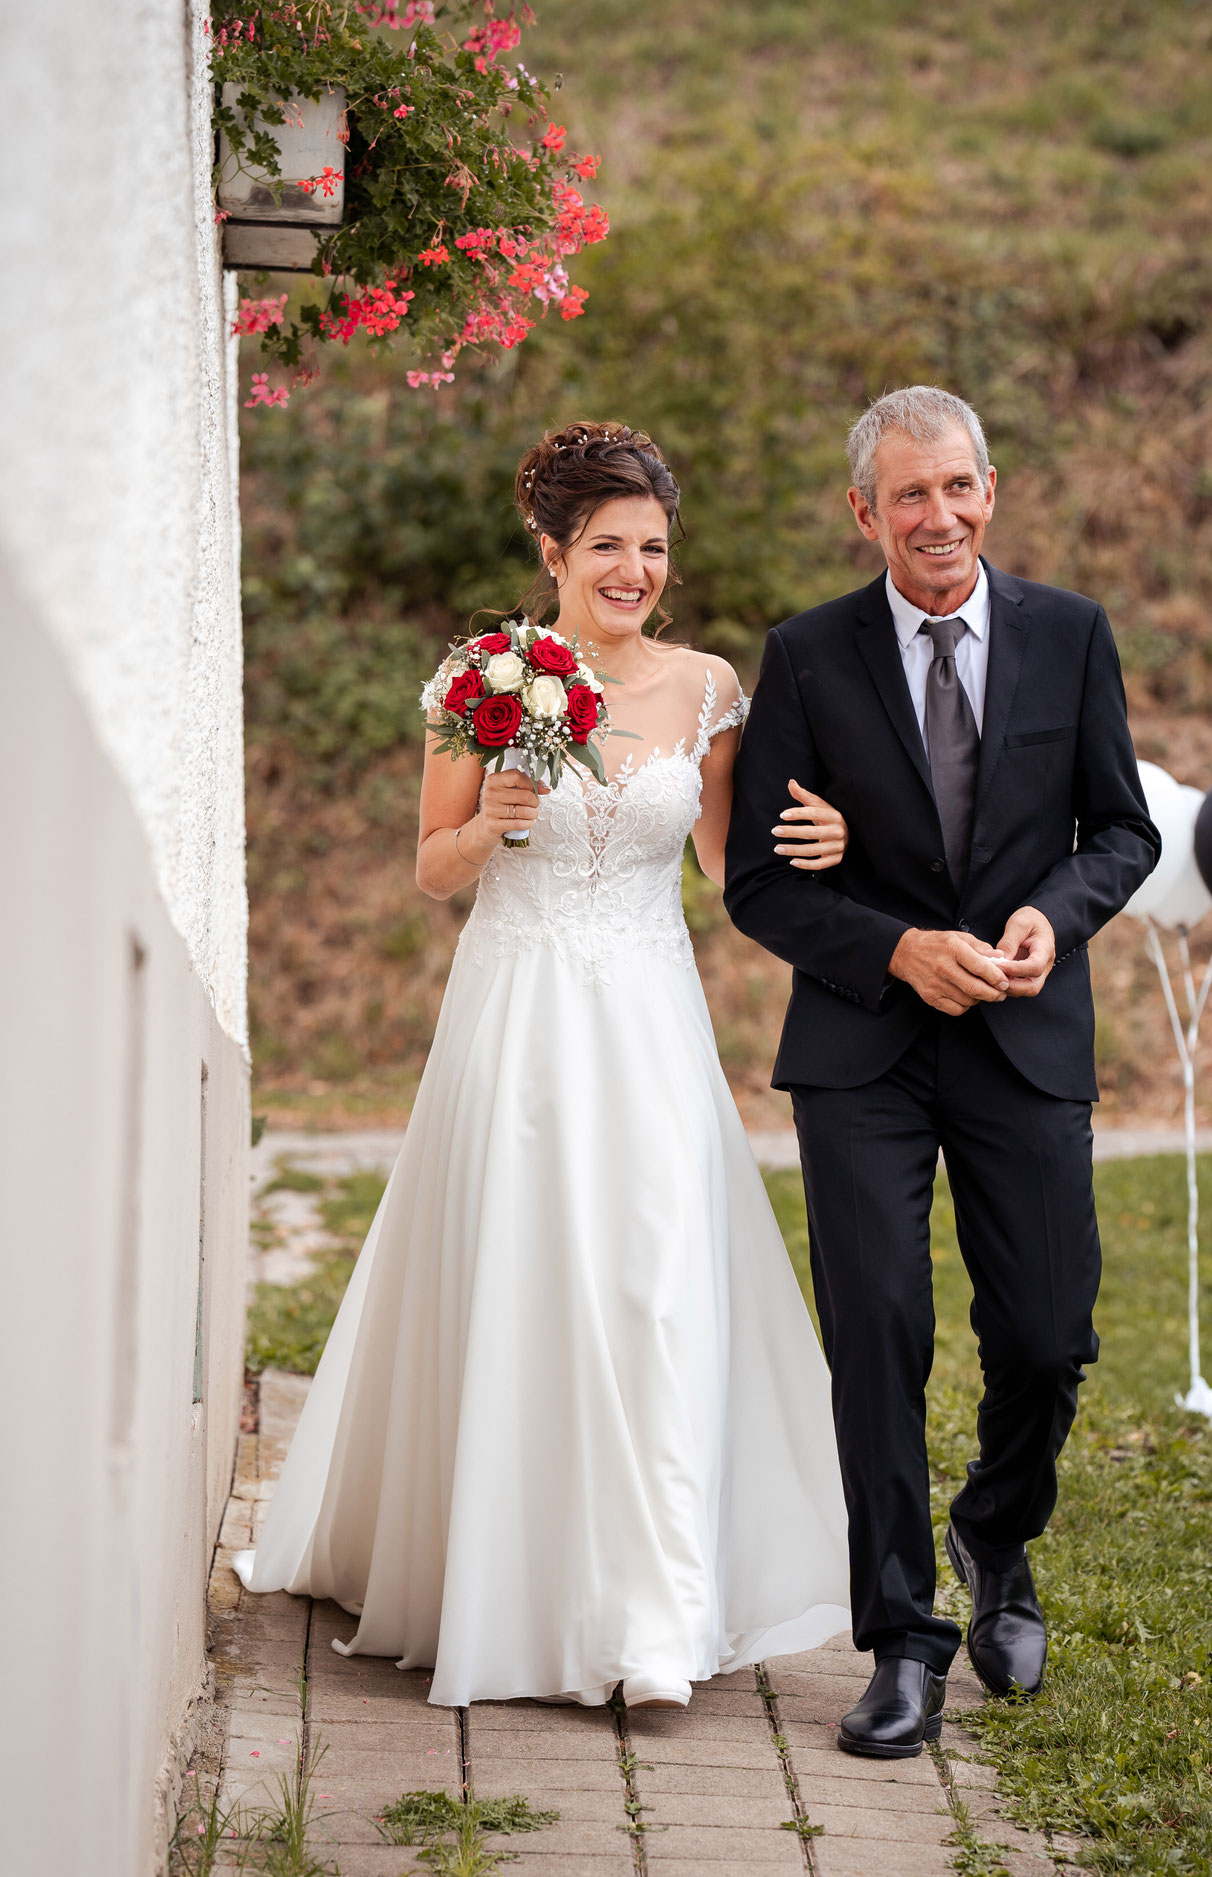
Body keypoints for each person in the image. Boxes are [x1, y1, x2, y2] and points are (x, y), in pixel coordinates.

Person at [235, 421, 854, 1712]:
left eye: (652, 548)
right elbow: (431, 861)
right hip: (517, 1009)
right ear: (553, 549)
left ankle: (651, 1614)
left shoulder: (705, 689)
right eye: (608, 546)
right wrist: (494, 823)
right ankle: (512, 1579)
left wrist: (826, 843)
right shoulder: (488, 674)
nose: (633, 570)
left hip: (648, 1019)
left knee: (654, 1285)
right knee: (523, 1272)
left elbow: (723, 869)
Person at [724, 386, 1159, 1758]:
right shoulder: (804, 659)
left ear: (991, 489)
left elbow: (1119, 832)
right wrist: (898, 947)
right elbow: (758, 888)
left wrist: (1053, 916)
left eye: (955, 487)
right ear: (865, 512)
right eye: (905, 495)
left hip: (1024, 1036)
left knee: (1043, 1333)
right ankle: (900, 1637)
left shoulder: (1069, 636)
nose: (936, 515)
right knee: (878, 1336)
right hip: (865, 1047)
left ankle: (997, 1539)